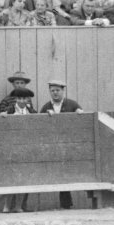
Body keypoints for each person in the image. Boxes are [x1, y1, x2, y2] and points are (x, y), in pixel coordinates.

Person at [40, 80, 83, 209]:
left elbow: (81, 116)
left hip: (69, 144)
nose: (55, 93)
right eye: (52, 91)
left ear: (63, 91)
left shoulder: (72, 104)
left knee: (67, 171)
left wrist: (79, 112)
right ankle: (65, 203)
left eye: (57, 90)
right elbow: (38, 125)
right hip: (52, 145)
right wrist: (45, 117)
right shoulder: (46, 106)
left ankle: (66, 203)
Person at [0, 87, 36, 213]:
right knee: (11, 178)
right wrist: (3, 115)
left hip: (26, 148)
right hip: (12, 147)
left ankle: (18, 206)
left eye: (24, 98)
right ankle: (6, 206)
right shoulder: (10, 110)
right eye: (19, 98)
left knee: (24, 177)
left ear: (27, 99)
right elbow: (1, 121)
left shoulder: (31, 111)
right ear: (16, 99)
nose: (21, 100)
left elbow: (39, 122)